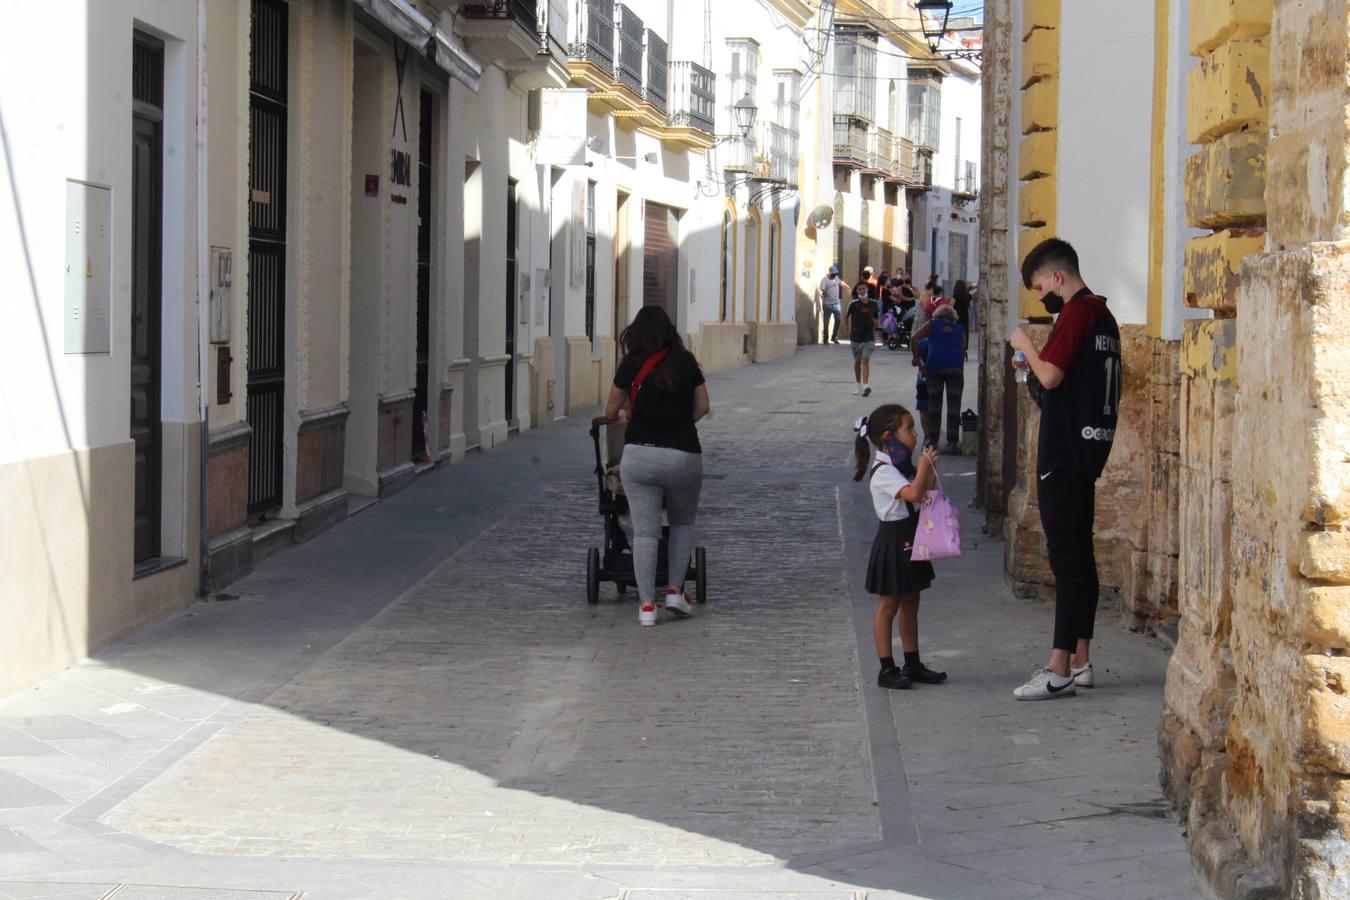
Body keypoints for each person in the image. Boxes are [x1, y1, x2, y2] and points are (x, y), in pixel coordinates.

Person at [1008, 238, 1122, 699]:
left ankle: (1056, 668)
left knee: (1067, 558)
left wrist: (1025, 344)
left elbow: (1051, 376)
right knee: (1081, 556)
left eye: (1040, 287)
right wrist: (1027, 367)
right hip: (1088, 448)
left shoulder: (1076, 312)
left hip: (1065, 453)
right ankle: (1081, 659)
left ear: (1058, 277)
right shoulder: (1104, 317)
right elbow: (1055, 386)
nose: (1040, 297)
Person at [604, 306, 712, 627]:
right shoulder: (686, 362)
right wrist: (678, 423)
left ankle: (647, 606)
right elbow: (703, 406)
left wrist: (626, 416)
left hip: (640, 457)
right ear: (669, 331)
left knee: (646, 532)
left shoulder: (630, 365)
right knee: (681, 523)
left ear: (635, 333)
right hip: (683, 456)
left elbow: (611, 410)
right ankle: (675, 592)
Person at [852, 404, 947, 690]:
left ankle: (912, 662)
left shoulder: (900, 466)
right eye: (909, 429)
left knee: (911, 601)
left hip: (910, 536)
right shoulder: (883, 471)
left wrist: (928, 469)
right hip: (893, 540)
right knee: (888, 604)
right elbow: (914, 492)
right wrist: (923, 469)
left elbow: (924, 494)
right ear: (889, 436)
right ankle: (886, 667)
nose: (915, 434)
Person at [910, 305, 966, 454]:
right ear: (952, 317)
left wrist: (917, 359)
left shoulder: (932, 324)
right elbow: (963, 348)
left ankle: (932, 442)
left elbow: (914, 338)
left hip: (935, 369)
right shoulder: (959, 328)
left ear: (937, 315)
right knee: (954, 406)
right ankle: (952, 444)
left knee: (935, 406)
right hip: (956, 369)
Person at [845, 282, 880, 397]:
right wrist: (848, 331)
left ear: (867, 289)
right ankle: (858, 384)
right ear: (857, 291)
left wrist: (877, 324)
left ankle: (866, 386)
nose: (862, 291)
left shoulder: (874, 304)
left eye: (863, 288)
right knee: (857, 361)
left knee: (865, 360)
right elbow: (846, 317)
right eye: (859, 289)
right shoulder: (853, 304)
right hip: (856, 337)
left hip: (869, 336)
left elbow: (877, 319)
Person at [817, 265, 846, 344]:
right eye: (833, 273)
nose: (835, 274)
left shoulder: (836, 278)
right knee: (826, 322)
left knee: (838, 320)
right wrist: (821, 294)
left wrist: (848, 287)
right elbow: (820, 290)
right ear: (829, 272)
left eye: (836, 273)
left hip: (836, 304)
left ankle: (834, 337)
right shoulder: (825, 280)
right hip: (827, 305)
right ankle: (826, 338)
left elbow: (841, 282)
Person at [952, 279, 974, 355]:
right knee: (964, 333)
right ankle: (964, 350)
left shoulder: (955, 295)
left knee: (956, 332)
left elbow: (950, 305)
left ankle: (957, 348)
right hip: (965, 315)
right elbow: (971, 306)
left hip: (956, 316)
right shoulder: (968, 295)